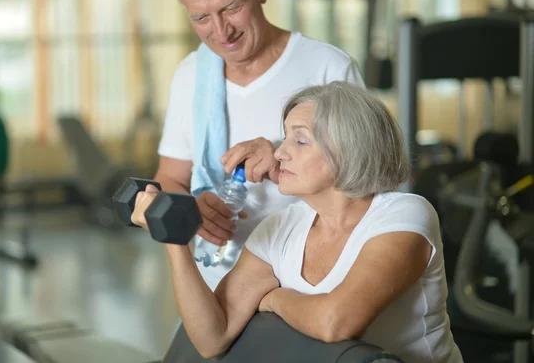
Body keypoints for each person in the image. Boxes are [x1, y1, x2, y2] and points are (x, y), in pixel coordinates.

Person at [133, 82, 464, 363]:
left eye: (300, 140)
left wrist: (275, 299)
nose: (279, 154)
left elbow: (336, 322)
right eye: (285, 138)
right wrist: (175, 243)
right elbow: (211, 338)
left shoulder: (404, 215)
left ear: (349, 149)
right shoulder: (280, 229)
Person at [156, 0, 365, 291]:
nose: (222, 32)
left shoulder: (330, 68)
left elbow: (365, 187)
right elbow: (170, 177)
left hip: (307, 279)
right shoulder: (190, 74)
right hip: (215, 279)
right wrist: (191, 210)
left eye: (232, 8)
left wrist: (283, 159)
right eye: (201, 18)